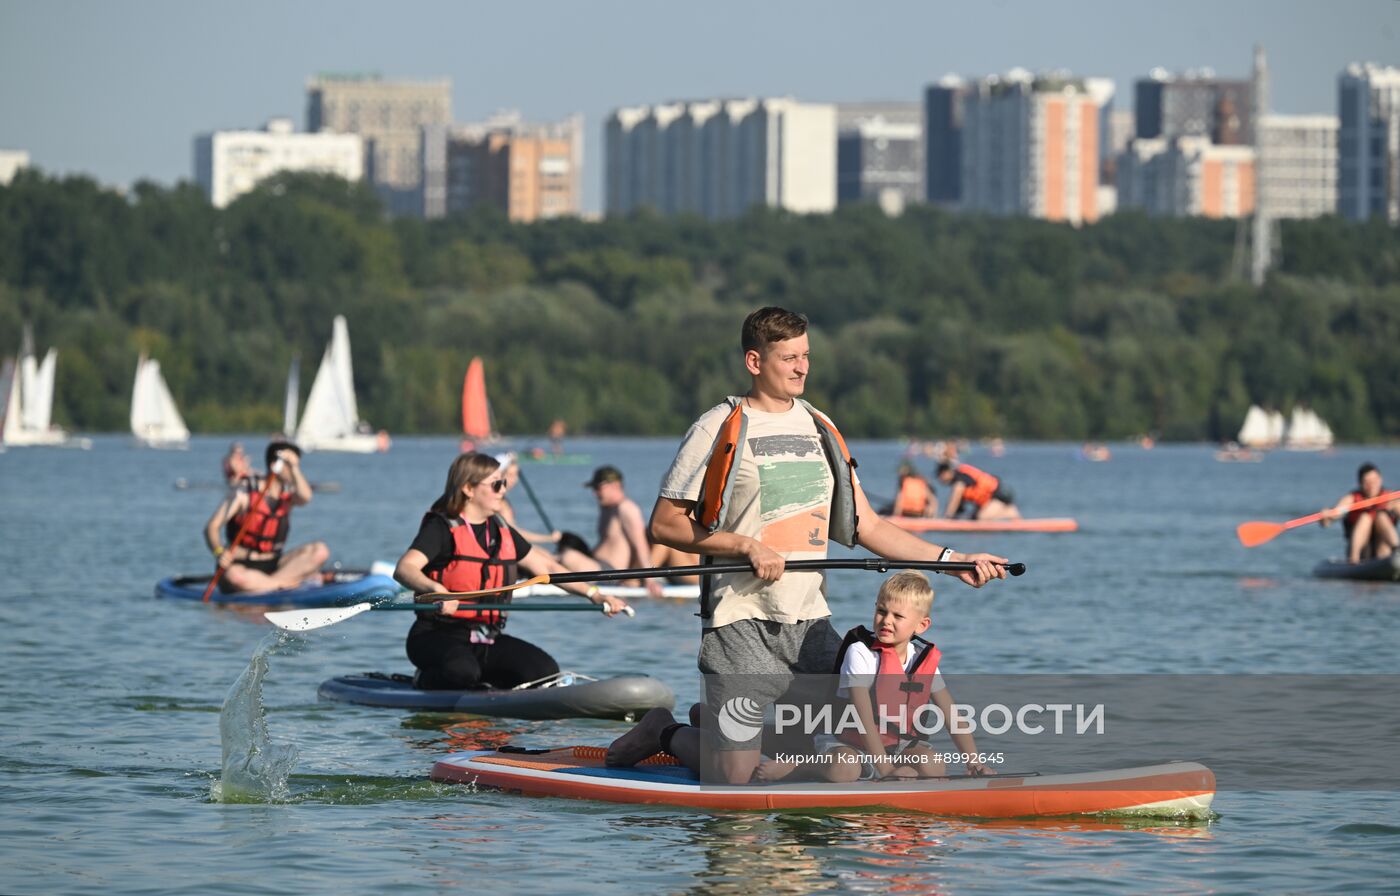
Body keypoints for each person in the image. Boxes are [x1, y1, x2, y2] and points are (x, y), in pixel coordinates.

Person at [606, 306, 1007, 784]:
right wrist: (745, 546)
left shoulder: (821, 427)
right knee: (733, 779)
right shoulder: (719, 426)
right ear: (755, 362)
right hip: (740, 622)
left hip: (810, 624)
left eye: (806, 356)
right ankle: (664, 732)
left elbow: (867, 526)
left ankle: (714, 721)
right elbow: (665, 525)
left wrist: (951, 560)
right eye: (788, 358)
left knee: (851, 730)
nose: (801, 368)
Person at [393, 452, 629, 691]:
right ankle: (424, 678)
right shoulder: (442, 528)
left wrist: (595, 595)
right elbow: (404, 569)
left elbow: (548, 567)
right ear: (468, 489)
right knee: (463, 672)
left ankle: (486, 685)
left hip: (486, 638)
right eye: (496, 484)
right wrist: (437, 590)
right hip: (435, 636)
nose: (503, 489)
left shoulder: (501, 530)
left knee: (544, 672)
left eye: (503, 482)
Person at [755, 571, 992, 782]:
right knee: (844, 771)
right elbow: (862, 716)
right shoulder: (860, 652)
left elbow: (952, 715)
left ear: (922, 625)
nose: (886, 620)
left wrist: (974, 762)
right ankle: (798, 767)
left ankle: (884, 773)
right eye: (881, 611)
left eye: (898, 616)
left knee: (933, 766)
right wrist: (887, 770)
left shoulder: (921, 660)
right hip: (845, 743)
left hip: (897, 746)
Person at [204, 440, 329, 594]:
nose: (294, 471)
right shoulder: (244, 492)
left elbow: (306, 497)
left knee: (320, 551)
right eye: (289, 465)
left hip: (274, 564)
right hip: (242, 565)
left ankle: (272, 584)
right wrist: (219, 551)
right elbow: (212, 527)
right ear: (274, 465)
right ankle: (289, 584)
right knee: (236, 577)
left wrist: (294, 467)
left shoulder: (288, 495)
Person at [558, 465, 697, 598]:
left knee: (567, 557)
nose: (594, 493)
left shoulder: (689, 509)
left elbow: (642, 545)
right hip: (668, 570)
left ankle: (637, 579)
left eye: (598, 488)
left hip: (694, 575)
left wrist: (647, 579)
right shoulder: (607, 509)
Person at [1321, 463, 1399, 564]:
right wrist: (1327, 517)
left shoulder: (1390, 498)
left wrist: (1396, 507)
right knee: (1365, 517)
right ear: (1360, 483)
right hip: (1363, 552)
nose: (1371, 485)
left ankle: (1397, 551)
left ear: (1380, 480)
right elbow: (1335, 514)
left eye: (1374, 481)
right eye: (1367, 482)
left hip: (1383, 550)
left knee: (1381, 516)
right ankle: (1354, 559)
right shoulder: (1352, 499)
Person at [493, 453, 561, 546]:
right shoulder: (497, 501)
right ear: (498, 476)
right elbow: (512, 533)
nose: (515, 479)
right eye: (510, 475)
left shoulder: (501, 499)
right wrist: (548, 538)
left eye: (516, 474)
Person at [935, 461, 1021, 521]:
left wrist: (946, 517)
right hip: (986, 500)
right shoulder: (960, 476)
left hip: (996, 496)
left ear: (946, 473)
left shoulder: (959, 481)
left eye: (940, 475)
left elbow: (954, 500)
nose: (940, 479)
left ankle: (1010, 511)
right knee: (974, 518)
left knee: (982, 518)